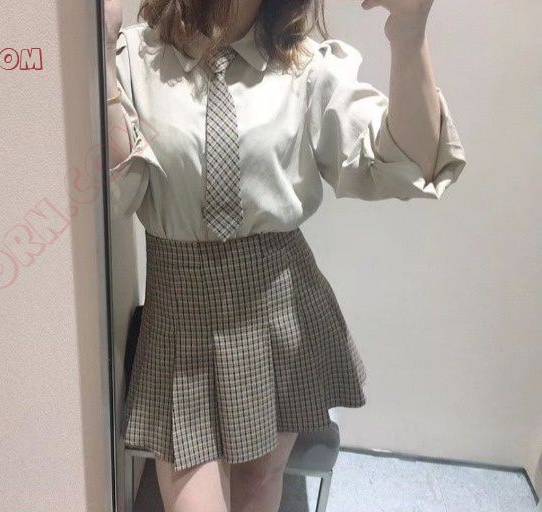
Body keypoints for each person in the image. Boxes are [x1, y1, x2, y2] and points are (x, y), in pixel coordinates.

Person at [104, 0, 466, 509]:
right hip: (180, 313)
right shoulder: (134, 58)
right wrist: (100, 57)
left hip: (279, 309)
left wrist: (409, 33)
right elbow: (117, 193)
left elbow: (408, 162)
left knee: (260, 481)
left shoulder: (307, 66)